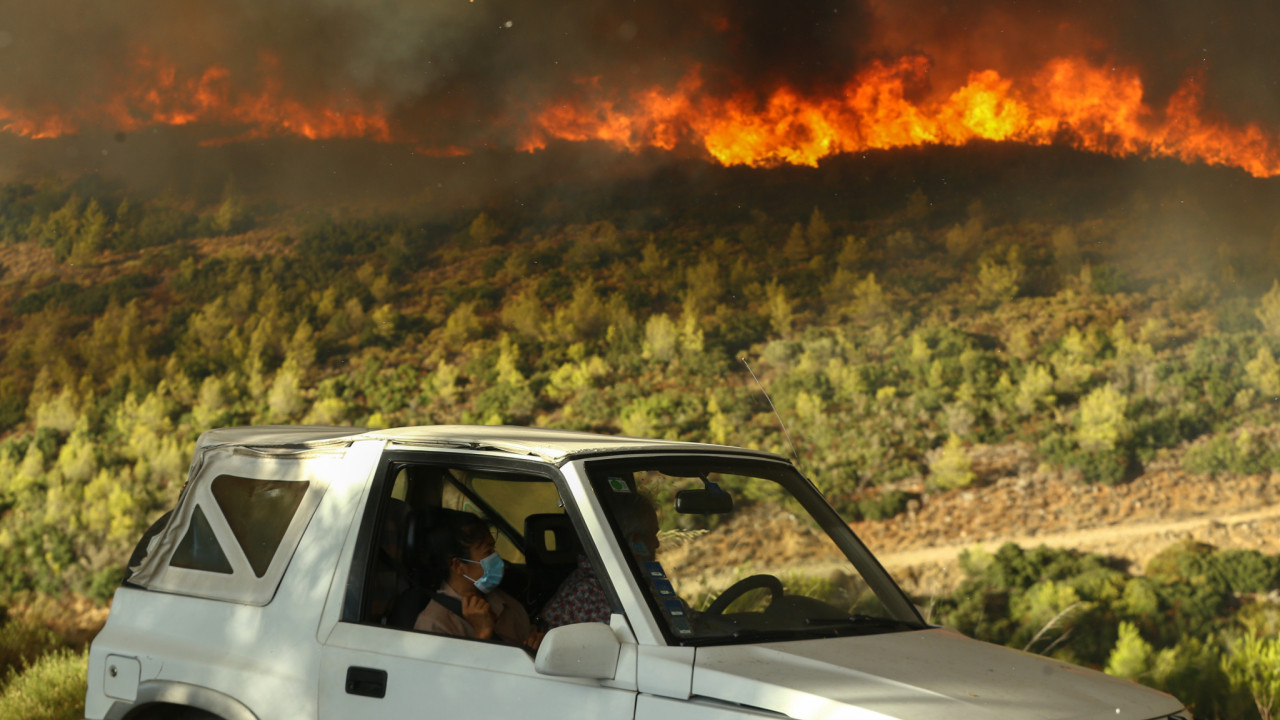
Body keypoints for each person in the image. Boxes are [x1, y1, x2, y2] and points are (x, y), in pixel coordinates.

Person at [413, 508, 542, 650]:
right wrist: (482, 634)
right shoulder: (434, 624)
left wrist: (536, 643)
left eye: (493, 550)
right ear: (458, 565)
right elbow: (448, 673)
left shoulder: (506, 604)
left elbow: (528, 639)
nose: (497, 559)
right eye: (488, 552)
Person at [541, 492, 659, 628]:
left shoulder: (625, 582)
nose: (657, 544)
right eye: (652, 535)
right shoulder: (588, 596)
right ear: (635, 541)